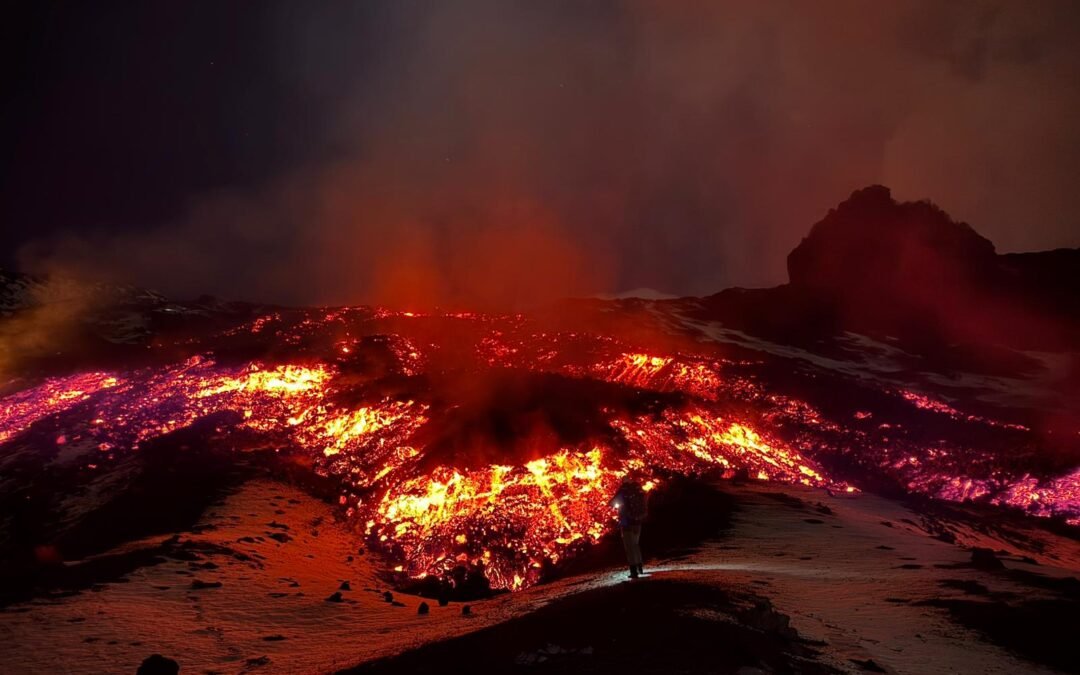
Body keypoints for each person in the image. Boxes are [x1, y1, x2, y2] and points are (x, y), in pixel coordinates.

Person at [610, 478, 647, 578]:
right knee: (635, 544)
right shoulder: (637, 489)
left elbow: (612, 503)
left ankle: (633, 571)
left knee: (629, 547)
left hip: (627, 523)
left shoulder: (623, 491)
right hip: (638, 521)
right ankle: (640, 567)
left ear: (623, 481)